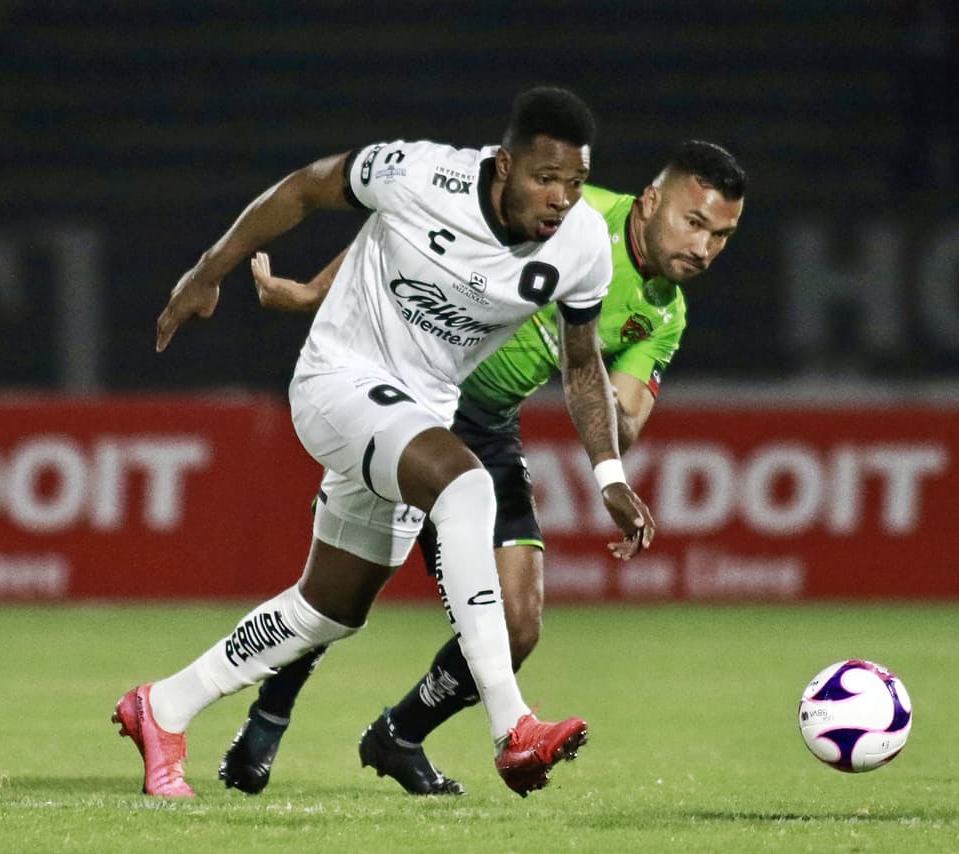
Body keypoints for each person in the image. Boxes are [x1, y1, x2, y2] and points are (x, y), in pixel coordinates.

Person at [114, 87, 657, 799]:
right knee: (465, 483)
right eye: (545, 179)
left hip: (418, 411)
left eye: (576, 183)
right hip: (339, 380)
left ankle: (162, 708)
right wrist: (207, 270)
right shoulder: (421, 174)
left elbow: (580, 364)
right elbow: (306, 188)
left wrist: (609, 471)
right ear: (503, 167)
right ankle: (512, 727)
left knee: (329, 608)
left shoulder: (583, 245)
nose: (561, 199)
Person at [216, 141, 747, 796]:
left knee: (519, 624)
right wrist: (313, 294)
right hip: (415, 390)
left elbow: (626, 418)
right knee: (350, 583)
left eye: (721, 236)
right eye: (695, 223)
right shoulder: (571, 219)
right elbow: (414, 232)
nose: (704, 247)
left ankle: (398, 735)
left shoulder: (663, 316)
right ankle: (267, 719)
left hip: (489, 428)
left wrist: (605, 416)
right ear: (652, 201)